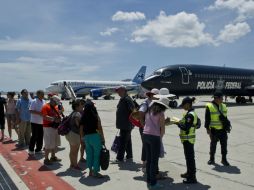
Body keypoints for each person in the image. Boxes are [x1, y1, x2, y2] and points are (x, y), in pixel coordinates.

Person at [143, 97, 169, 189]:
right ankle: (153, 183)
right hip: (154, 137)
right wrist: (160, 139)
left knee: (149, 160)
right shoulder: (161, 113)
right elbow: (163, 129)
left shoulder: (149, 111)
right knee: (154, 161)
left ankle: (149, 180)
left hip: (145, 135)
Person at [80, 101, 105, 178]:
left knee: (89, 154)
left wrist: (82, 137)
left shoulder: (83, 117)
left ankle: (90, 171)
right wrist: (102, 138)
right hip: (95, 137)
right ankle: (95, 172)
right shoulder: (96, 116)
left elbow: (81, 128)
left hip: (87, 137)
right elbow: (99, 128)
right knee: (96, 155)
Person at [177, 97, 198, 184]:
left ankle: (192, 177)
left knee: (190, 159)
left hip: (188, 140)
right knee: (188, 158)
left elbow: (186, 128)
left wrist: (177, 123)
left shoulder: (190, 115)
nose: (182, 107)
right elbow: (198, 123)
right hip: (188, 139)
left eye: (183, 105)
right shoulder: (192, 113)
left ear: (188, 104)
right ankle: (189, 173)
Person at [205, 92, 230, 166]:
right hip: (214, 130)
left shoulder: (224, 106)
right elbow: (207, 119)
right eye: (221, 98)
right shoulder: (209, 106)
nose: (222, 99)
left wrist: (227, 125)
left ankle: (224, 159)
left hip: (223, 130)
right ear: (216, 98)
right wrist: (207, 129)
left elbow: (225, 117)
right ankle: (211, 159)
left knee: (224, 145)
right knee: (213, 145)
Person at [138, 88, 159, 170]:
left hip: (151, 128)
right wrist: (143, 124)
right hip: (146, 128)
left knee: (147, 146)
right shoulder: (146, 102)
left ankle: (147, 163)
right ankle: (145, 163)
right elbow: (140, 112)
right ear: (152, 95)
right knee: (146, 146)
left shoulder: (154, 102)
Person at [114, 86, 135, 162]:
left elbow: (133, 110)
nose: (118, 93)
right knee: (127, 141)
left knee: (123, 142)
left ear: (123, 91)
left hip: (126, 125)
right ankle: (129, 156)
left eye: (119, 91)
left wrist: (131, 123)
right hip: (123, 124)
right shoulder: (123, 99)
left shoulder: (127, 99)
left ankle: (119, 158)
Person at [41, 95, 62, 165]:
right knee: (48, 144)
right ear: (52, 100)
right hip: (48, 127)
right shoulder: (45, 106)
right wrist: (54, 119)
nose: (56, 104)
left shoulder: (55, 106)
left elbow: (58, 113)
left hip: (54, 127)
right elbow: (44, 116)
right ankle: (46, 159)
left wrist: (59, 116)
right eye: (56, 102)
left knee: (54, 143)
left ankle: (53, 156)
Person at [65, 99, 83, 170]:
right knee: (75, 151)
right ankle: (75, 165)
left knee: (72, 150)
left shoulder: (72, 113)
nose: (82, 106)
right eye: (81, 105)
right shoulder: (77, 114)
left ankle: (72, 164)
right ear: (76, 106)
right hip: (75, 134)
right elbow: (77, 123)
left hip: (69, 134)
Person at [28, 90, 45, 155]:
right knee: (34, 136)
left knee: (41, 136)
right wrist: (39, 113)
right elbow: (31, 110)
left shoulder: (44, 101)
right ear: (38, 95)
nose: (43, 96)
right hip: (34, 122)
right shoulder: (34, 101)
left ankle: (38, 149)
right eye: (42, 94)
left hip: (42, 122)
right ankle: (31, 149)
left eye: (43, 94)